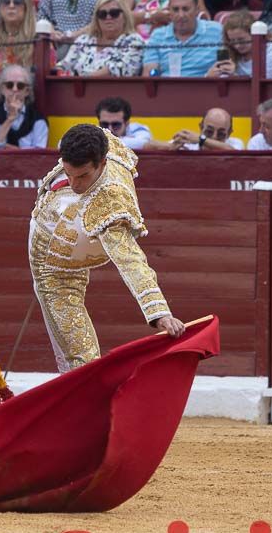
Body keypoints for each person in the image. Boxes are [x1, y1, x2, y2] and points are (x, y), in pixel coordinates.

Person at [28, 122, 185, 372]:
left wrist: (159, 314)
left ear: (102, 163)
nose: (74, 184)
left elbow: (131, 261)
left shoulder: (109, 204)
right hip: (52, 267)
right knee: (82, 359)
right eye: (68, 174)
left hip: (72, 244)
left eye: (82, 176)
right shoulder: (100, 140)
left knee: (81, 364)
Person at [57, 0, 146, 77]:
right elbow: (64, 65)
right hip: (77, 89)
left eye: (114, 13)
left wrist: (83, 79)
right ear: (97, 19)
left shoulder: (134, 41)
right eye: (102, 14)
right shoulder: (84, 40)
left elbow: (119, 71)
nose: (108, 17)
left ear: (125, 16)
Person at [141, 0, 222, 77]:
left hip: (206, 88)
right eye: (175, 9)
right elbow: (149, 74)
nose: (181, 15)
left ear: (197, 10)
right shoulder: (158, 36)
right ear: (169, 11)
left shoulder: (217, 31)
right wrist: (154, 73)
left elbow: (224, 67)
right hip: (167, 89)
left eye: (185, 9)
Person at [0, 64, 49, 149]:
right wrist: (10, 119)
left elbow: (38, 156)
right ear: (2, 89)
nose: (15, 89)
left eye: (20, 86)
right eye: (9, 85)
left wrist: (2, 145)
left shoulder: (38, 120)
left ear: (27, 91)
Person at [205, 9, 272, 78]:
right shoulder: (226, 50)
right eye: (232, 40)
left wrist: (235, 76)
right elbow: (222, 80)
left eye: (241, 40)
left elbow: (261, 81)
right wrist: (209, 77)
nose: (237, 45)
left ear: (253, 35)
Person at [155, 107, 246, 150]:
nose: (214, 137)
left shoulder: (236, 143)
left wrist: (201, 139)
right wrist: (170, 147)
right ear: (201, 127)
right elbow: (148, 145)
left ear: (229, 133)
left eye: (221, 134)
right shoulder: (189, 142)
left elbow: (231, 151)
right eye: (209, 131)